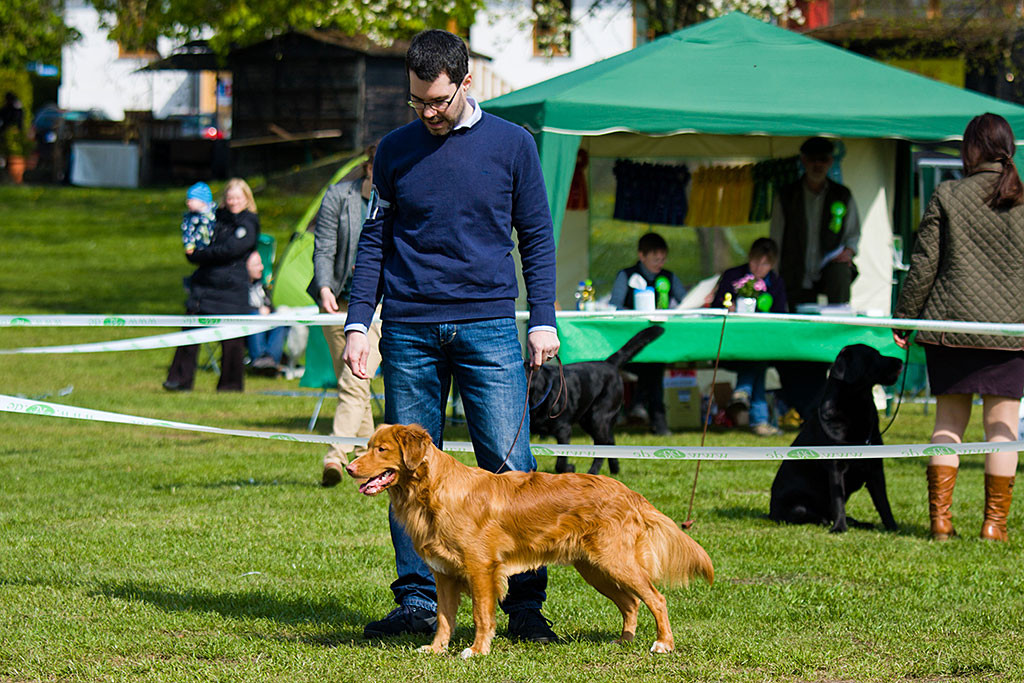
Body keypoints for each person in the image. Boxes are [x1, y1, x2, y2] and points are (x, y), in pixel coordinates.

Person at [342, 29, 560, 643]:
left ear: (466, 82)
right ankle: (417, 601)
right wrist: (359, 323)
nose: (428, 113)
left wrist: (543, 318)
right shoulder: (394, 149)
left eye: (437, 100)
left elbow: (536, 236)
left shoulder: (514, 144)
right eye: (417, 101)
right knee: (403, 472)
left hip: (489, 324)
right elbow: (375, 241)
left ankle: (524, 607)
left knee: (511, 468)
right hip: (408, 328)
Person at [894, 112, 1024, 543]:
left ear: (971, 149)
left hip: (952, 328)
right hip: (1011, 333)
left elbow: (924, 265)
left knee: (948, 424)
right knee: (1002, 430)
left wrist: (905, 318)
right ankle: (994, 526)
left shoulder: (947, 194)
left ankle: (941, 522)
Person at [308, 145, 382, 486]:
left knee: (354, 382)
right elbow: (323, 246)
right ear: (367, 167)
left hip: (378, 306)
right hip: (337, 302)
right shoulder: (338, 196)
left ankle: (335, 457)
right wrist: (324, 287)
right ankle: (368, 459)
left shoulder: (397, 198)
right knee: (356, 387)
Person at [164, 178, 260, 392]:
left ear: (246, 199)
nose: (233, 202)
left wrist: (202, 254)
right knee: (189, 333)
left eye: (238, 198)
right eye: (230, 198)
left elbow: (231, 250)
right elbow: (195, 245)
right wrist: (197, 252)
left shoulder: (249, 222)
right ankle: (178, 380)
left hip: (232, 290)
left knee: (232, 342)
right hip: (205, 288)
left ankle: (230, 386)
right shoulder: (213, 218)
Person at [609, 232, 686, 435]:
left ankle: (640, 409)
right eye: (655, 259)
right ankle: (656, 420)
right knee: (653, 367)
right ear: (641, 256)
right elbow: (615, 306)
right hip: (627, 342)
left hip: (658, 342)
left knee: (654, 363)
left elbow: (686, 303)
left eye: (663, 259)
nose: (660, 263)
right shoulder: (626, 276)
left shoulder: (669, 277)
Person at [710, 238, 788, 436]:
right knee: (758, 359)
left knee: (759, 356)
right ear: (749, 258)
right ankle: (758, 418)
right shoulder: (733, 276)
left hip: (762, 342)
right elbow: (716, 307)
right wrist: (728, 307)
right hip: (731, 343)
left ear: (772, 264)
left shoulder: (776, 283)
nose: (758, 268)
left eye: (764, 264)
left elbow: (781, 315)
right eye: (755, 262)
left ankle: (744, 393)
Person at [770, 136, 861, 306]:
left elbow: (853, 234)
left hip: (829, 268)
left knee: (841, 272)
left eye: (823, 159)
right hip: (795, 269)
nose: (817, 164)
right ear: (804, 161)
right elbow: (776, 235)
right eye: (813, 159)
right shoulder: (786, 195)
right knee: (796, 313)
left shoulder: (842, 194)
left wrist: (848, 252)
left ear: (830, 161)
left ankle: (840, 317)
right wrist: (774, 271)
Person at [245, 250, 288, 374]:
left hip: (266, 324)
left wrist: (268, 310)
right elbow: (237, 308)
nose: (261, 268)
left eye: (261, 264)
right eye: (257, 265)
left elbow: (271, 307)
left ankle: (271, 359)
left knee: (280, 319)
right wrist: (257, 310)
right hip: (246, 325)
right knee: (255, 316)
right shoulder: (239, 287)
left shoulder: (261, 286)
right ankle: (259, 359)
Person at [181, 182, 216, 255]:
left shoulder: (215, 214)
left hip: (215, 247)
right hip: (199, 248)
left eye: (191, 200)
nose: (188, 202)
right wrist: (189, 246)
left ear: (202, 202)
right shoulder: (190, 218)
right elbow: (187, 232)